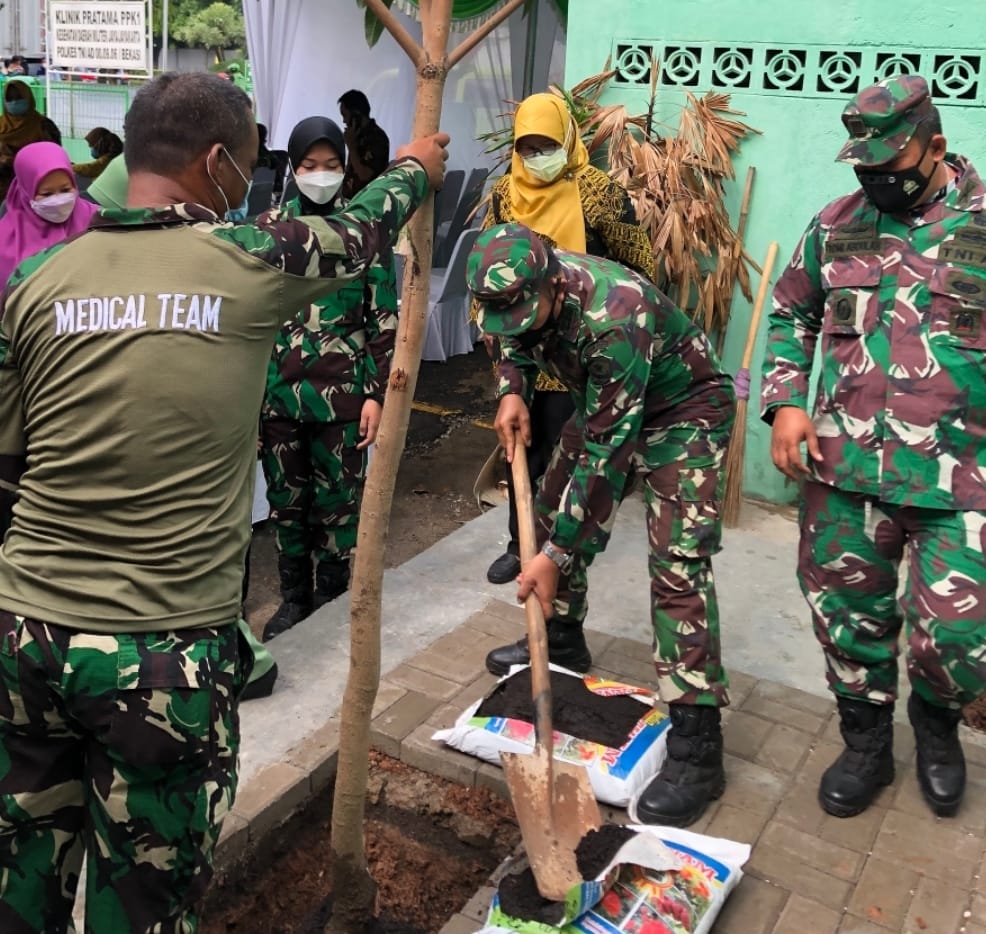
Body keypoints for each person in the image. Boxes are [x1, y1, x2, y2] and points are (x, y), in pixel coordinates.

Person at [0, 70, 447, 932]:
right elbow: (357, 231)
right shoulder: (250, 259)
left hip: (25, 640)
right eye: (250, 160)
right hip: (161, 658)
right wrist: (416, 169)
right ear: (216, 163)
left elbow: (7, 459)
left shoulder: (37, 279)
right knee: (146, 904)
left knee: (19, 887)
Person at [760, 74, 986, 821]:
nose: (876, 181)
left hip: (962, 479)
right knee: (845, 615)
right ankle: (865, 743)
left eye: (890, 167)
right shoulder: (837, 225)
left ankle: (937, 724)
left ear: (936, 147)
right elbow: (790, 312)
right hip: (846, 470)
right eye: (864, 167)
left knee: (959, 640)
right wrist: (785, 403)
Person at [469, 222, 734, 827]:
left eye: (521, 312)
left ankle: (698, 746)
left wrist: (558, 556)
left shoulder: (614, 316)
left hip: (684, 412)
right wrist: (512, 389)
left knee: (677, 565)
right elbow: (507, 337)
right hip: (605, 403)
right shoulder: (516, 285)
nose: (510, 323)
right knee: (549, 506)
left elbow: (608, 459)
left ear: (552, 288)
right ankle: (562, 637)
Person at [477, 91, 655, 588]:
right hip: (522, 343)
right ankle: (520, 543)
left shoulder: (599, 193)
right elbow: (490, 261)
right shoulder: (505, 194)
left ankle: (560, 549)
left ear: (567, 140)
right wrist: (492, 333)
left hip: (580, 344)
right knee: (522, 450)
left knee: (570, 451)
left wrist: (609, 314)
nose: (537, 156)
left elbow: (637, 262)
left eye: (547, 145)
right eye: (527, 147)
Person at [260, 115, 398, 641]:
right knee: (287, 505)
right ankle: (294, 599)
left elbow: (383, 319)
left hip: (343, 400)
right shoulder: (270, 230)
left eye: (332, 164)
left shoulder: (364, 230)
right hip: (277, 398)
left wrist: (375, 395)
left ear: (345, 167)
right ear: (293, 169)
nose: (321, 174)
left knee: (338, 508)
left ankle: (332, 598)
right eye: (309, 165)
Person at [0, 141, 97, 287]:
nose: (58, 200)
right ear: (26, 192)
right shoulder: (5, 238)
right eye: (47, 194)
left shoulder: (99, 219)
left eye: (65, 190)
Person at [339, 88, 390, 199]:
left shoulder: (377, 138)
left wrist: (351, 147)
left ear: (355, 114)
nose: (344, 121)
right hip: (349, 200)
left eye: (345, 115)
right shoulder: (356, 135)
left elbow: (364, 175)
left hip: (365, 202)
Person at [0, 79, 60, 155]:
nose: (14, 102)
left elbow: (55, 154)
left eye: (19, 97)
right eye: (9, 99)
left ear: (29, 98)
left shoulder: (45, 125)